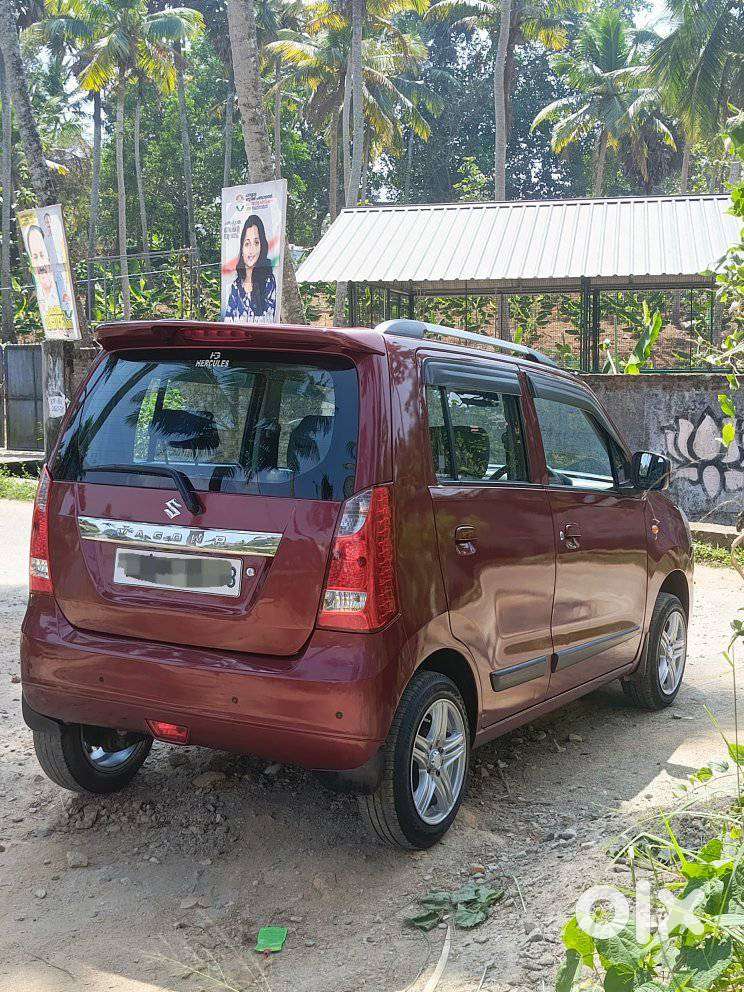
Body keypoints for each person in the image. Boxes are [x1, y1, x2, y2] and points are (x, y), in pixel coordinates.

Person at [224, 214, 277, 323]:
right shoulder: (236, 285)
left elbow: (269, 319)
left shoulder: (268, 281)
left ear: (262, 246)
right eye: (247, 243)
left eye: (256, 243)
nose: (251, 249)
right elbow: (228, 319)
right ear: (242, 248)